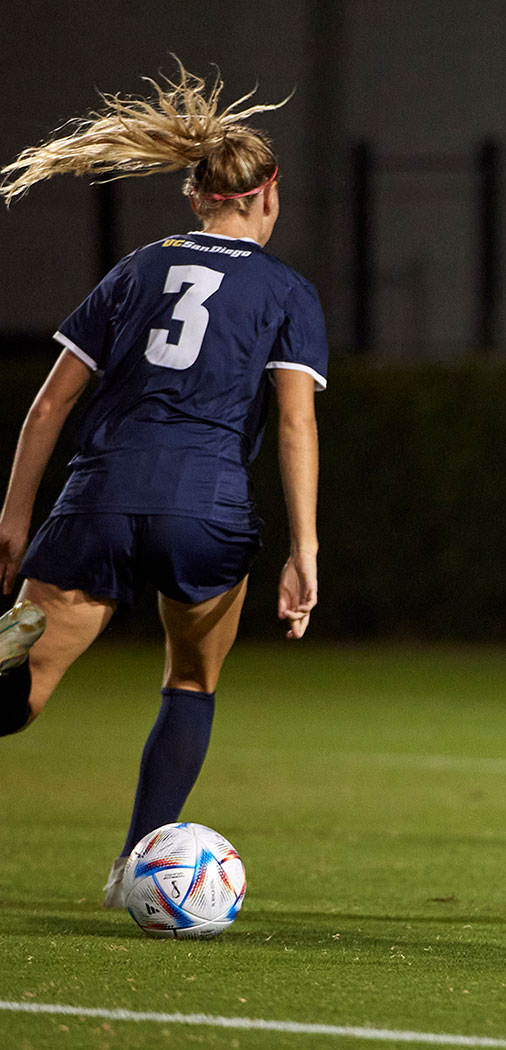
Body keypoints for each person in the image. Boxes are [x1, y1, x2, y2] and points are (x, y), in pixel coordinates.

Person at [0, 62, 327, 907]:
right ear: (268, 194)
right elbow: (294, 424)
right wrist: (306, 549)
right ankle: (129, 870)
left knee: (22, 697)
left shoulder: (137, 270)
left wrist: (13, 518)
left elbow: (48, 405)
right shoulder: (286, 290)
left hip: (95, 500)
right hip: (205, 507)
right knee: (190, 681)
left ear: (195, 195)